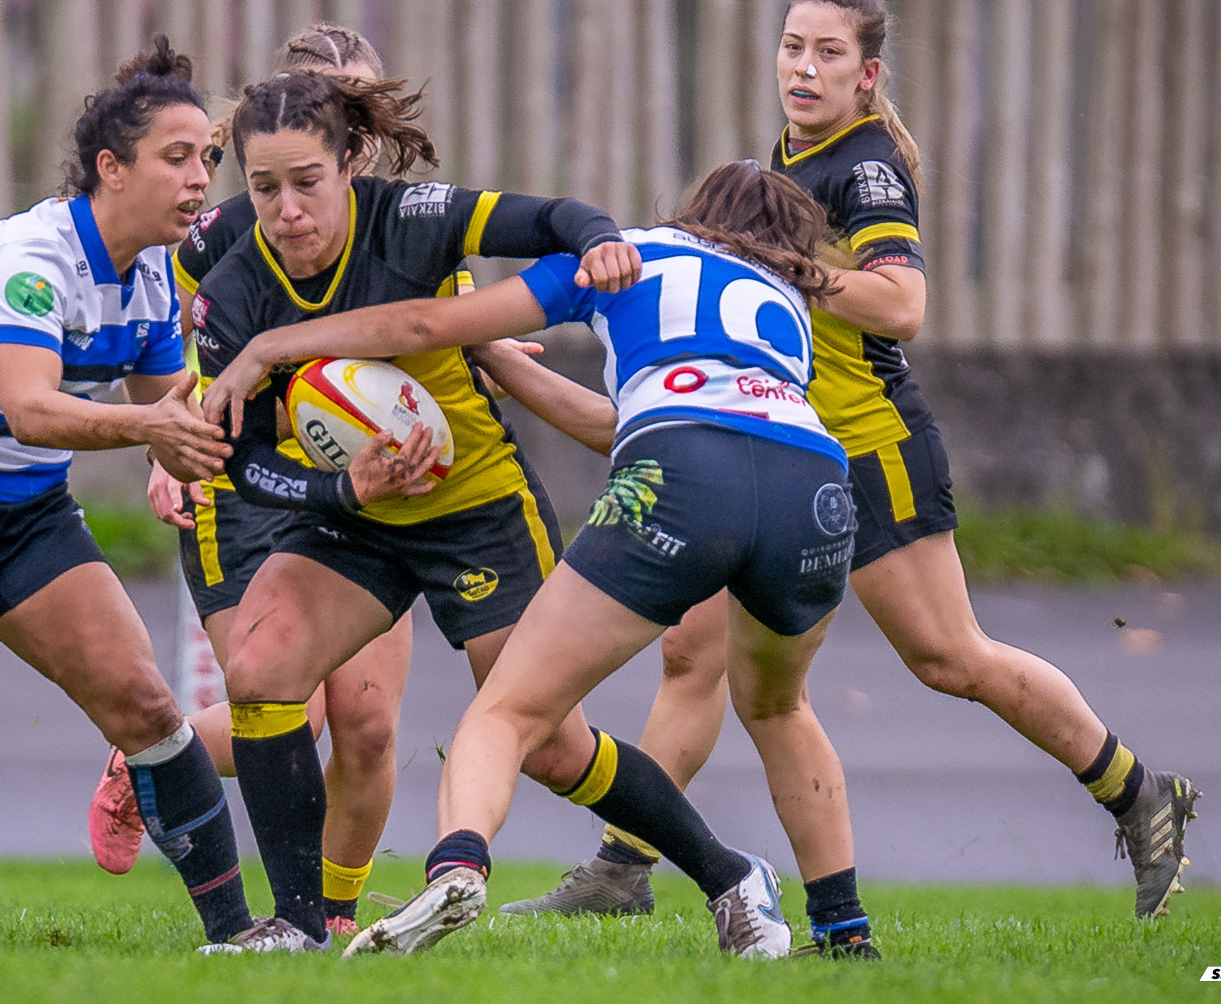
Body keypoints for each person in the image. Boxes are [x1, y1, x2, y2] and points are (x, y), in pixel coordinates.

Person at [501, 0, 1199, 924]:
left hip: (868, 445)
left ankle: (1135, 788)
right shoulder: (789, 156)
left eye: (829, 53)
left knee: (949, 655)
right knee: (692, 654)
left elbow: (902, 304)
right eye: (793, 46)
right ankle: (625, 866)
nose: (804, 66)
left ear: (867, 76)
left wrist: (787, 263)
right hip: (771, 439)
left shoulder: (865, 166)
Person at [201, 163, 862, 960]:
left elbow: (426, 324)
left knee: (532, 728)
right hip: (813, 484)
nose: (288, 204)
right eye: (268, 182)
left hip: (504, 502)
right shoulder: (784, 302)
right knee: (266, 663)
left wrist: (281, 345)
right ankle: (300, 922)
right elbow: (639, 416)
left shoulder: (611, 247)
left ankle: (703, 871)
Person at [0, 40, 254, 949]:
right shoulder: (30, 255)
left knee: (148, 707)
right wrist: (155, 434)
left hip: (28, 515)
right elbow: (30, 410)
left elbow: (172, 419)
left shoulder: (152, 278)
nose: (200, 180)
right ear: (111, 168)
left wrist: (318, 439)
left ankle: (235, 936)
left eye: (209, 160)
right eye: (176, 158)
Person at [87, 23, 413, 940]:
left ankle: (336, 920)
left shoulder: (408, 221)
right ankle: (152, 760)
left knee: (371, 723)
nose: (353, 125)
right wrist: (167, 447)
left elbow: (440, 329)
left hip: (370, 492)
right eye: (332, 103)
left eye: (364, 107)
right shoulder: (227, 232)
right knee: (293, 706)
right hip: (247, 485)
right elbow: (178, 344)